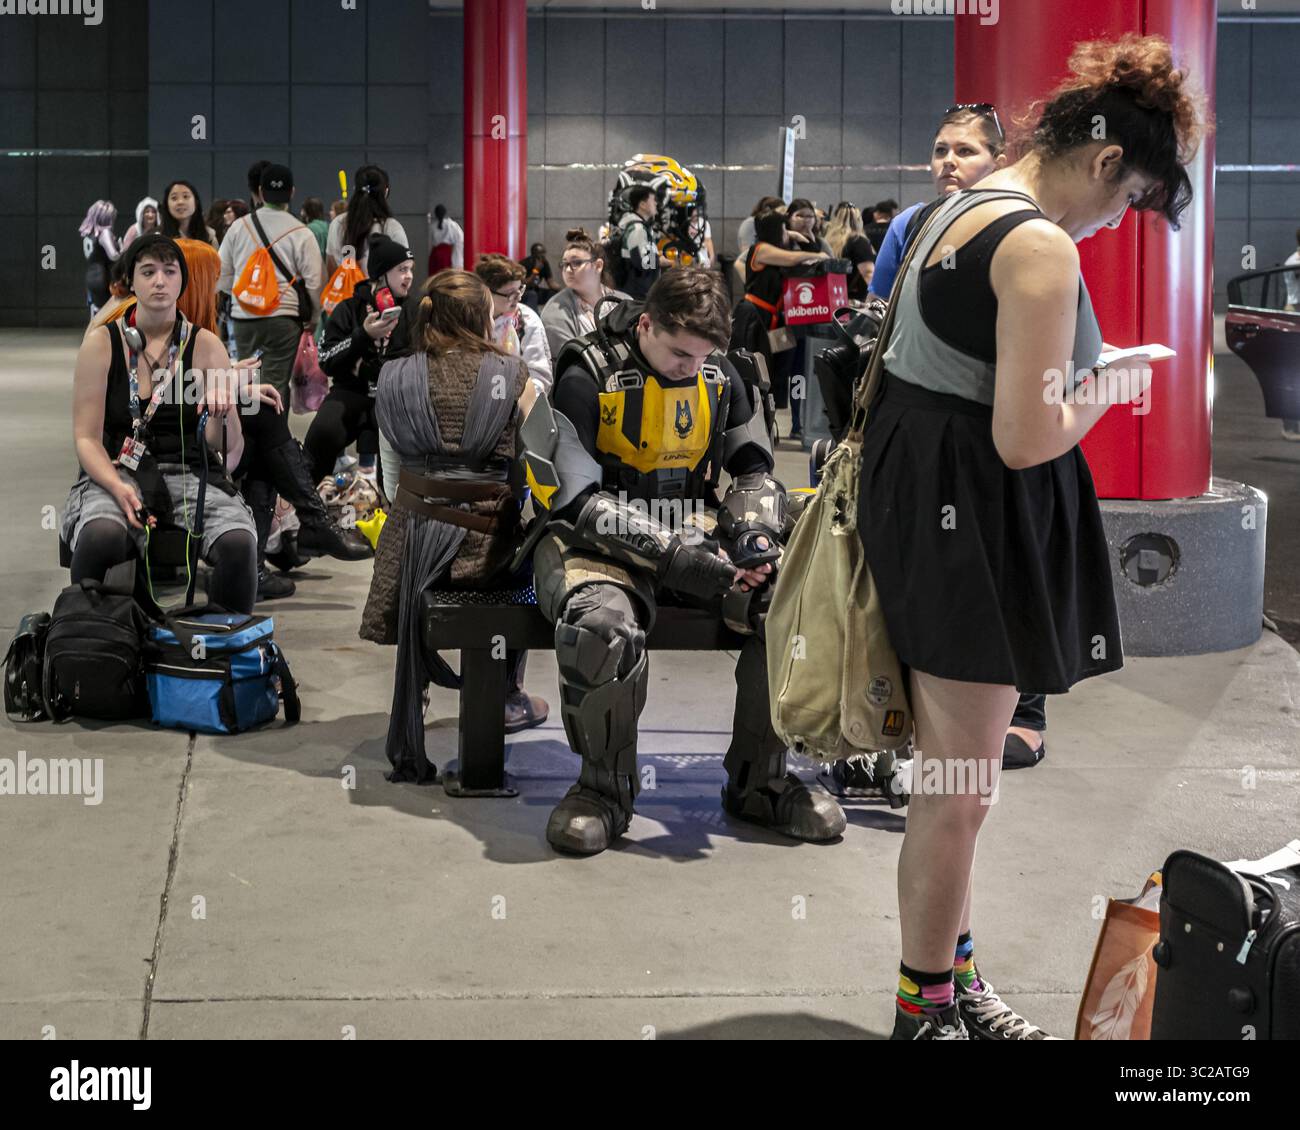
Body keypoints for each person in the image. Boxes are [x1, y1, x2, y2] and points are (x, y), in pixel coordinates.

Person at [857, 34, 1205, 1040]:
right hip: (972, 521)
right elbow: (1026, 436)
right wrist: (1115, 381)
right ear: (1103, 163)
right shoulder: (1038, 244)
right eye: (1130, 196)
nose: (1118, 220)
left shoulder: (949, 211)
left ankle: (949, 975)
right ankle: (922, 1009)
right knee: (959, 791)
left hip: (924, 503)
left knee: (953, 781)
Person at [518, 268, 846, 855]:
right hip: (587, 536)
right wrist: (676, 557)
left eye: (701, 356)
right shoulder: (585, 371)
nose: (690, 368)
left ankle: (760, 783)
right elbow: (572, 496)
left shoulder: (724, 374)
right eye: (677, 353)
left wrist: (751, 538)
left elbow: (753, 471)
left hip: (694, 523)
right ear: (647, 323)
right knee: (601, 628)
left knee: (782, 607)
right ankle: (601, 792)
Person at [361, 270, 549, 778]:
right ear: (482, 318)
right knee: (531, 576)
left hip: (409, 556)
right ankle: (506, 693)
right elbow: (544, 459)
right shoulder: (512, 374)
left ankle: (418, 690)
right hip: (485, 558)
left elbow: (393, 474)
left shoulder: (394, 375)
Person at [62, 235, 259, 612]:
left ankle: (223, 649)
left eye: (169, 272)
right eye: (148, 272)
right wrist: (117, 487)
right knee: (100, 536)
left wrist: (223, 410)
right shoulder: (102, 343)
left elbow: (229, 452)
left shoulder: (206, 346)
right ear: (130, 282)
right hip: (115, 471)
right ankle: (92, 646)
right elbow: (86, 438)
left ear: (182, 283)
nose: (159, 281)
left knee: (238, 543)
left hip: (188, 474)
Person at [306, 233, 415, 487]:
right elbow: (326, 359)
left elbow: (420, 358)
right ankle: (302, 504)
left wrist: (373, 365)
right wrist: (362, 336)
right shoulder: (349, 308)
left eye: (410, 269)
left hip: (396, 397)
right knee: (322, 432)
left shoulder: (415, 310)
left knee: (405, 446)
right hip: (351, 393)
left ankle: (391, 506)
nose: (409, 276)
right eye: (401, 270)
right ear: (380, 274)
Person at [872, 106, 1010, 299]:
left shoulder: (1017, 228)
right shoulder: (908, 224)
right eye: (941, 150)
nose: (948, 161)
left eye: (965, 151)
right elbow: (878, 306)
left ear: (998, 164)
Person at [218, 163, 323, 400]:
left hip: (244, 316)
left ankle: (247, 436)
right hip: (283, 318)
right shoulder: (301, 232)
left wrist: (242, 296)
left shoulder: (238, 227)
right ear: (292, 192)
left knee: (247, 380)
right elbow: (315, 283)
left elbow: (222, 277)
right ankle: (275, 436)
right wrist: (314, 318)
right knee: (275, 384)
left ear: (261, 192)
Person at [742, 210, 828, 439]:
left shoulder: (774, 247)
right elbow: (791, 259)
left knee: (779, 371)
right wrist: (818, 254)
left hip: (777, 322)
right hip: (756, 319)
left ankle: (770, 421)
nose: (786, 233)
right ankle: (755, 423)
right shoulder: (761, 250)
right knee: (759, 371)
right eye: (782, 229)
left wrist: (798, 235)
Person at [540, 228, 631, 359]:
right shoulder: (555, 309)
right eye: (564, 264)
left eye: (576, 262)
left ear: (598, 266)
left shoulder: (624, 300)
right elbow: (569, 359)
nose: (568, 269)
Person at [474, 254, 553, 396]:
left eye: (520, 290)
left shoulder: (526, 320)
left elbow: (540, 375)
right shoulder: (467, 319)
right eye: (510, 294)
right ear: (485, 292)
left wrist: (517, 406)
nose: (518, 298)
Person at [326, 165, 408, 277]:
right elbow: (402, 272)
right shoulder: (392, 227)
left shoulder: (337, 223)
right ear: (386, 192)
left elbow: (331, 268)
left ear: (355, 190)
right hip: (380, 293)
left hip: (346, 293)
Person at [615, 185, 665, 300]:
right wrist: (660, 261)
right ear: (642, 205)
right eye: (653, 200)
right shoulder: (638, 229)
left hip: (635, 292)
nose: (656, 204)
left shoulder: (636, 226)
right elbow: (643, 263)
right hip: (636, 295)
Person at [824, 202, 876, 302]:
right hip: (855, 302)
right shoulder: (858, 241)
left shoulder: (827, 241)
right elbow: (868, 273)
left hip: (833, 299)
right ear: (858, 220)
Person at [79, 200, 121, 320]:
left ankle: (93, 336)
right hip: (103, 277)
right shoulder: (105, 233)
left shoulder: (89, 234)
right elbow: (113, 255)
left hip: (91, 276)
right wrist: (123, 251)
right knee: (105, 312)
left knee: (95, 310)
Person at [160, 180, 217, 246]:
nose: (180, 202)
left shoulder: (209, 236)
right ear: (166, 204)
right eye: (174, 198)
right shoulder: (158, 237)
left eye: (186, 196)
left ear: (196, 202)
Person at [520, 242, 559, 310]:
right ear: (534, 254)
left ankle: (552, 314)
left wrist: (563, 290)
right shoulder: (524, 263)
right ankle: (534, 317)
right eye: (541, 254)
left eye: (544, 253)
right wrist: (536, 270)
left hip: (535, 291)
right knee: (532, 295)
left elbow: (551, 283)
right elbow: (524, 284)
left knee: (553, 294)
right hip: (524, 293)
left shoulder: (544, 263)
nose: (543, 256)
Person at [428, 204, 465, 274]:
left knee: (435, 275)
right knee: (447, 275)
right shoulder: (452, 225)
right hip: (447, 254)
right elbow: (460, 240)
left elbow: (430, 244)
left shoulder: (432, 226)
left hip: (435, 254)